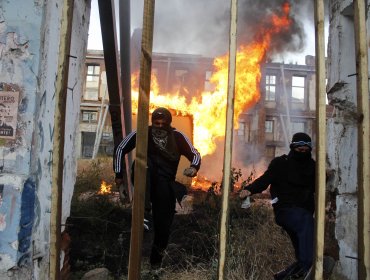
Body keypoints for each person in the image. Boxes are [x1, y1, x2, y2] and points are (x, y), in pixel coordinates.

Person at [113, 107, 201, 269]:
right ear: (152, 122)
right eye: (156, 123)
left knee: (163, 228)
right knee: (145, 164)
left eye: (163, 123)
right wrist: (119, 179)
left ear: (169, 123)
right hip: (143, 178)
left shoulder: (177, 136)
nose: (159, 126)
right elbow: (120, 149)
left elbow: (195, 154)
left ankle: (155, 265)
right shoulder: (142, 132)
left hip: (165, 183)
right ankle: (143, 213)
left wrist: (194, 168)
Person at [239, 132, 315, 280]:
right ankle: (308, 269)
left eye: (306, 150)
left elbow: (320, 185)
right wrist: (249, 189)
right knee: (307, 223)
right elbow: (265, 179)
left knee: (303, 247)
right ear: (293, 148)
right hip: (286, 211)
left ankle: (284, 276)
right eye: (300, 149)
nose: (303, 152)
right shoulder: (281, 163)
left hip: (303, 213)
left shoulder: (312, 167)